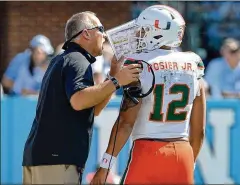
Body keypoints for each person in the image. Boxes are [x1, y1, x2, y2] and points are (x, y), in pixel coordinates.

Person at [91, 5, 206, 185]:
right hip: (183, 152)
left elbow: (125, 123)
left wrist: (105, 165)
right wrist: (188, 163)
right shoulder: (193, 63)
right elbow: (199, 132)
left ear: (159, 33)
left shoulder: (140, 64)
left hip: (148, 151)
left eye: (145, 30)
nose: (140, 35)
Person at [22, 11, 141, 184]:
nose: (105, 36)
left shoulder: (66, 58)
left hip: (45, 158)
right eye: (100, 29)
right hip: (57, 160)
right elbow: (78, 101)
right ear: (86, 33)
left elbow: (95, 109)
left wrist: (113, 75)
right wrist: (116, 81)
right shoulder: (78, 59)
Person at [205, 38, 240, 103]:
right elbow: (218, 91)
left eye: (235, 51)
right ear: (222, 51)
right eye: (231, 51)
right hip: (219, 106)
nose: (233, 53)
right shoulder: (215, 65)